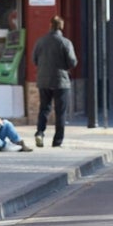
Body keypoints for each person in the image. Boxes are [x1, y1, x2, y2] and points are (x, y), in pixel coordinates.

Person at [32, 15, 78, 148]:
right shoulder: (65, 42)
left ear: (50, 25)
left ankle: (40, 132)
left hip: (43, 80)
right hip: (61, 81)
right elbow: (72, 62)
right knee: (60, 111)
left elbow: (34, 60)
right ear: (61, 27)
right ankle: (57, 141)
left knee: (44, 108)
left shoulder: (40, 41)